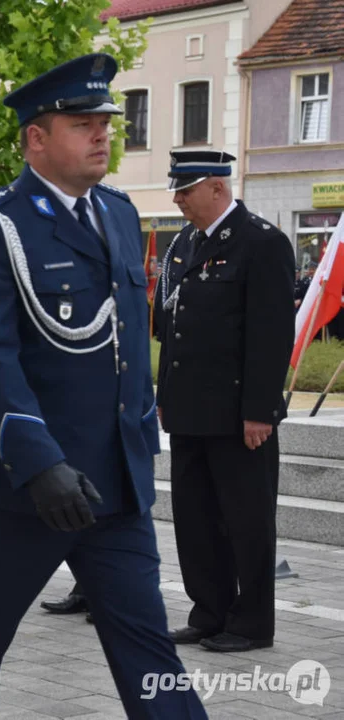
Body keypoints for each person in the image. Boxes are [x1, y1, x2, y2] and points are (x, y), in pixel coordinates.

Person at [0, 54, 206, 719]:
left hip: (113, 481)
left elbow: (126, 349)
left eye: (104, 122)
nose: (101, 134)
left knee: (147, 647)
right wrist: (39, 463)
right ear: (35, 138)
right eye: (81, 123)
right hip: (27, 487)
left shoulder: (114, 212)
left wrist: (139, 443)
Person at [156, 150, 294, 653]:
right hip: (191, 411)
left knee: (246, 521)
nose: (178, 199)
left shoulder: (262, 242)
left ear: (216, 187)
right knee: (195, 520)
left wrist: (260, 408)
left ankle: (253, 622)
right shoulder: (187, 243)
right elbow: (174, 327)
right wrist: (165, 397)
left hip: (238, 415)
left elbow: (272, 333)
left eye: (185, 190)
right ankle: (209, 611)